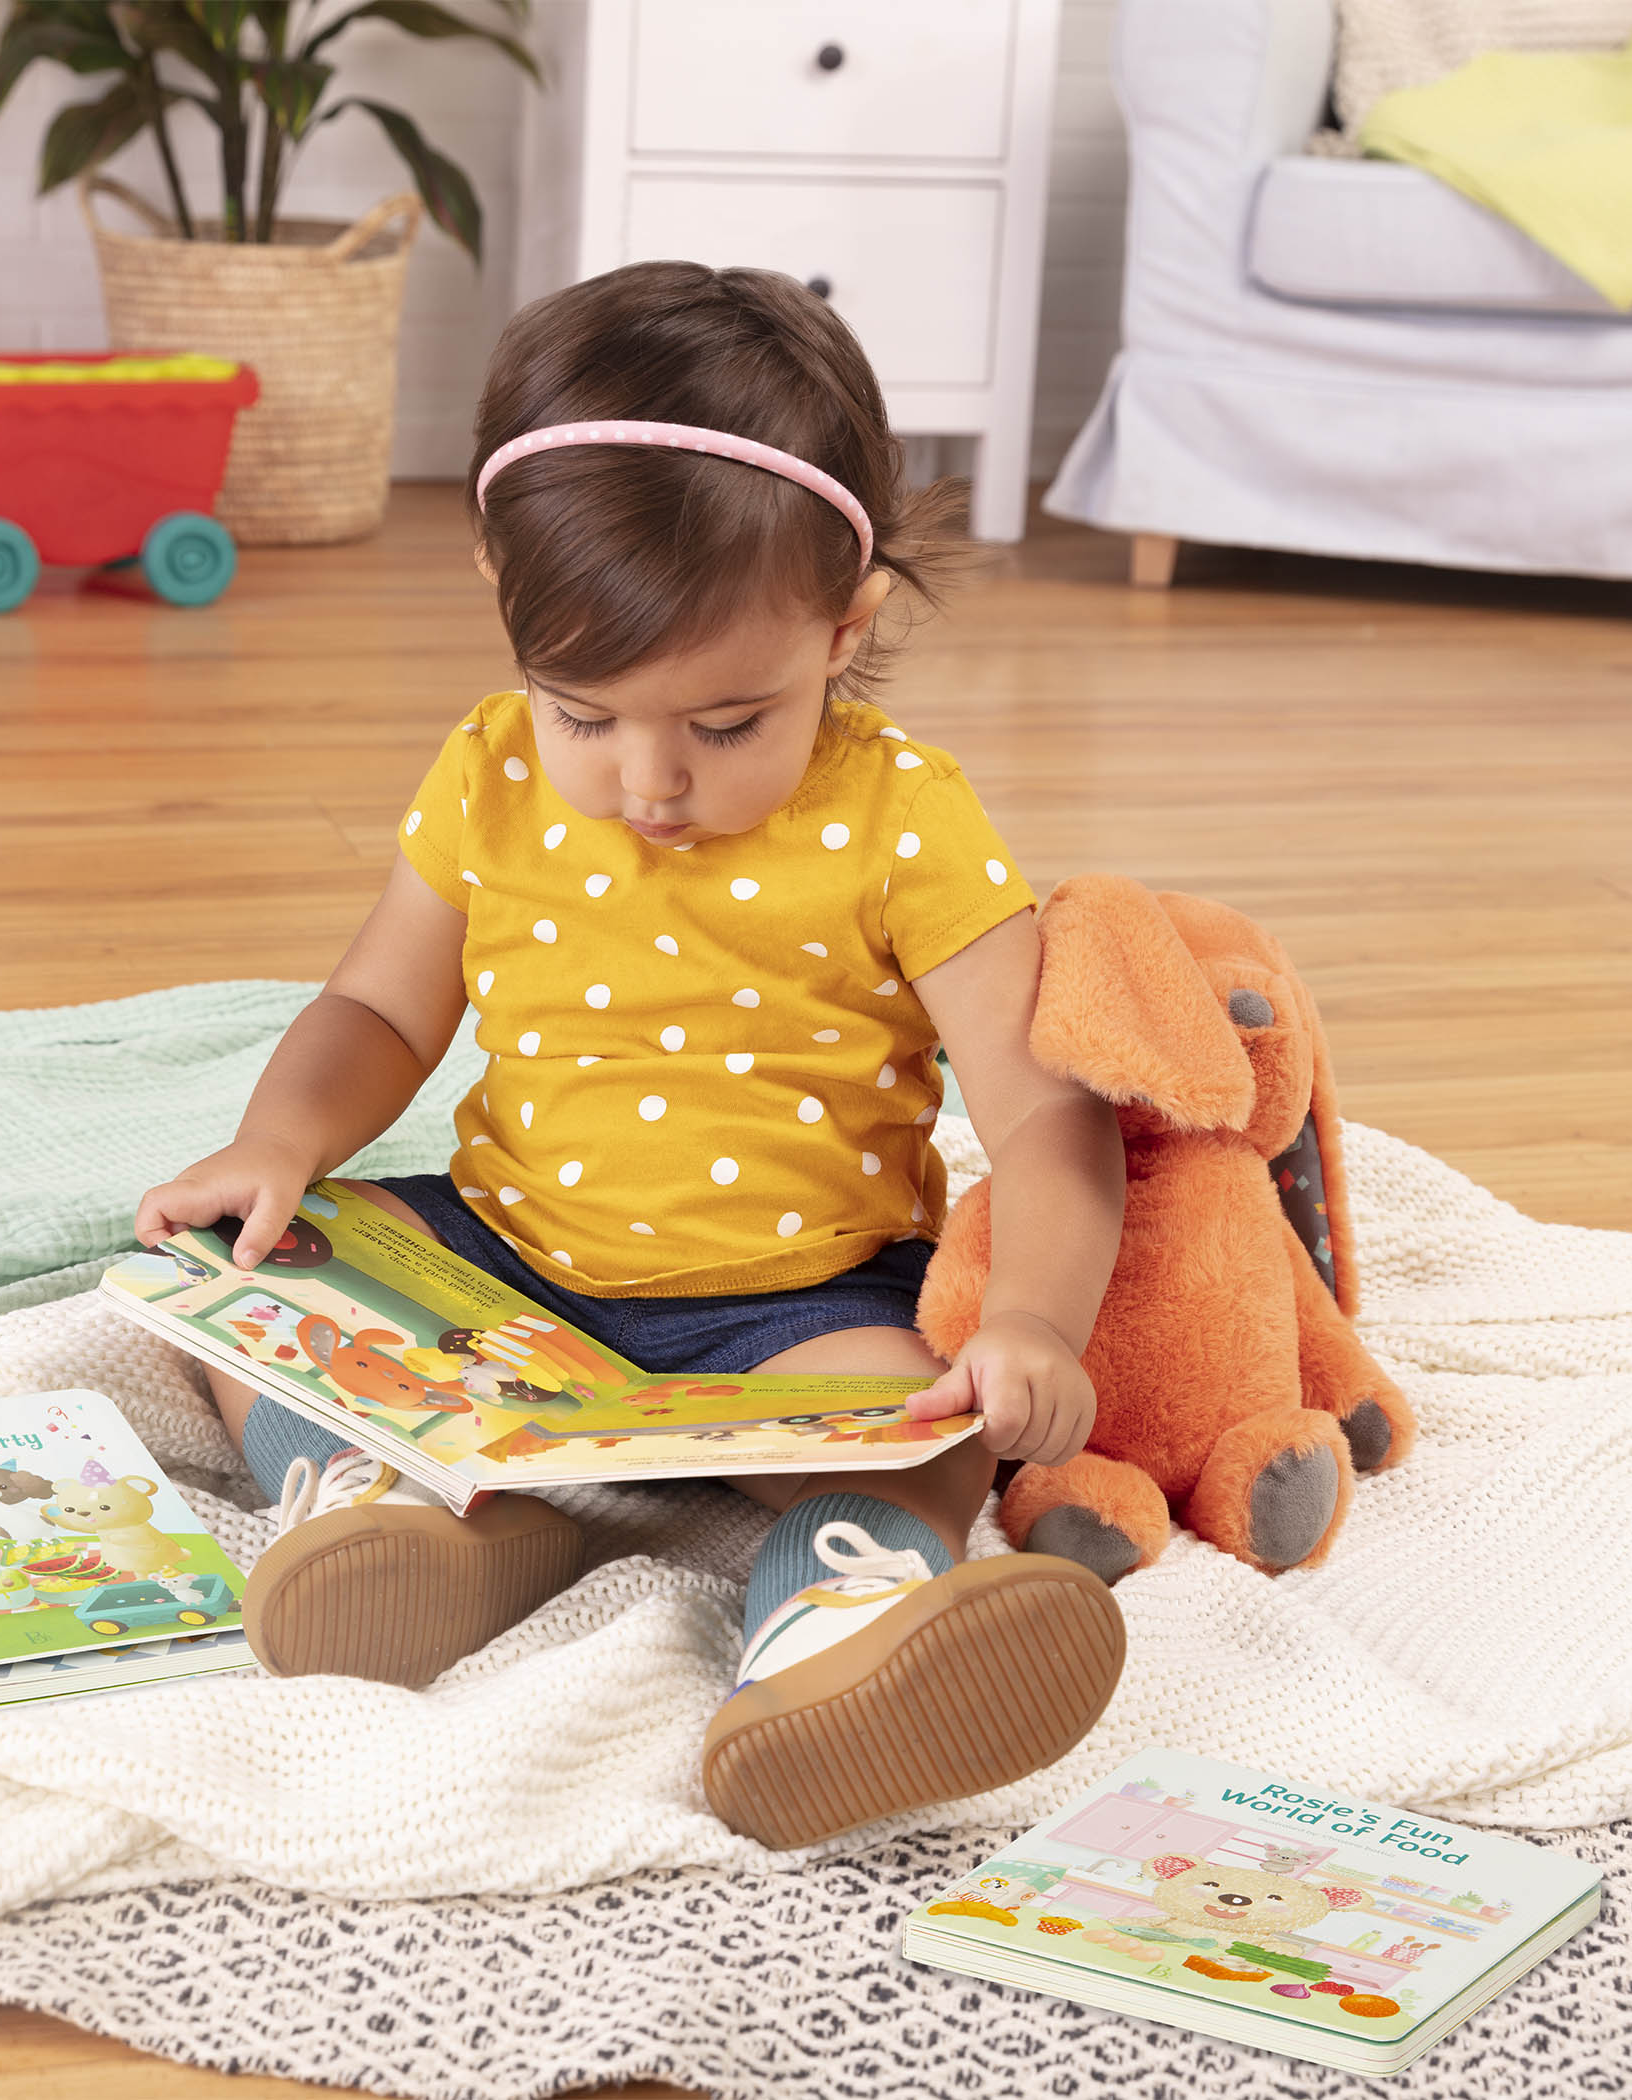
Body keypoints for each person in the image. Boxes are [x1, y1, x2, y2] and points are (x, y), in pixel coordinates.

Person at [136, 261, 1128, 1848]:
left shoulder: (904, 816)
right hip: (508, 1273)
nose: (646, 781)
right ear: (499, 596)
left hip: (796, 1302)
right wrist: (277, 1146)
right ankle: (410, 1518)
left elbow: (1047, 1117)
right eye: (581, 711)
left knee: (924, 1432)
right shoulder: (485, 774)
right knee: (223, 1282)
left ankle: (834, 1645)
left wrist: (1031, 1322)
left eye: (729, 726)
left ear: (846, 622)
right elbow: (382, 1012)